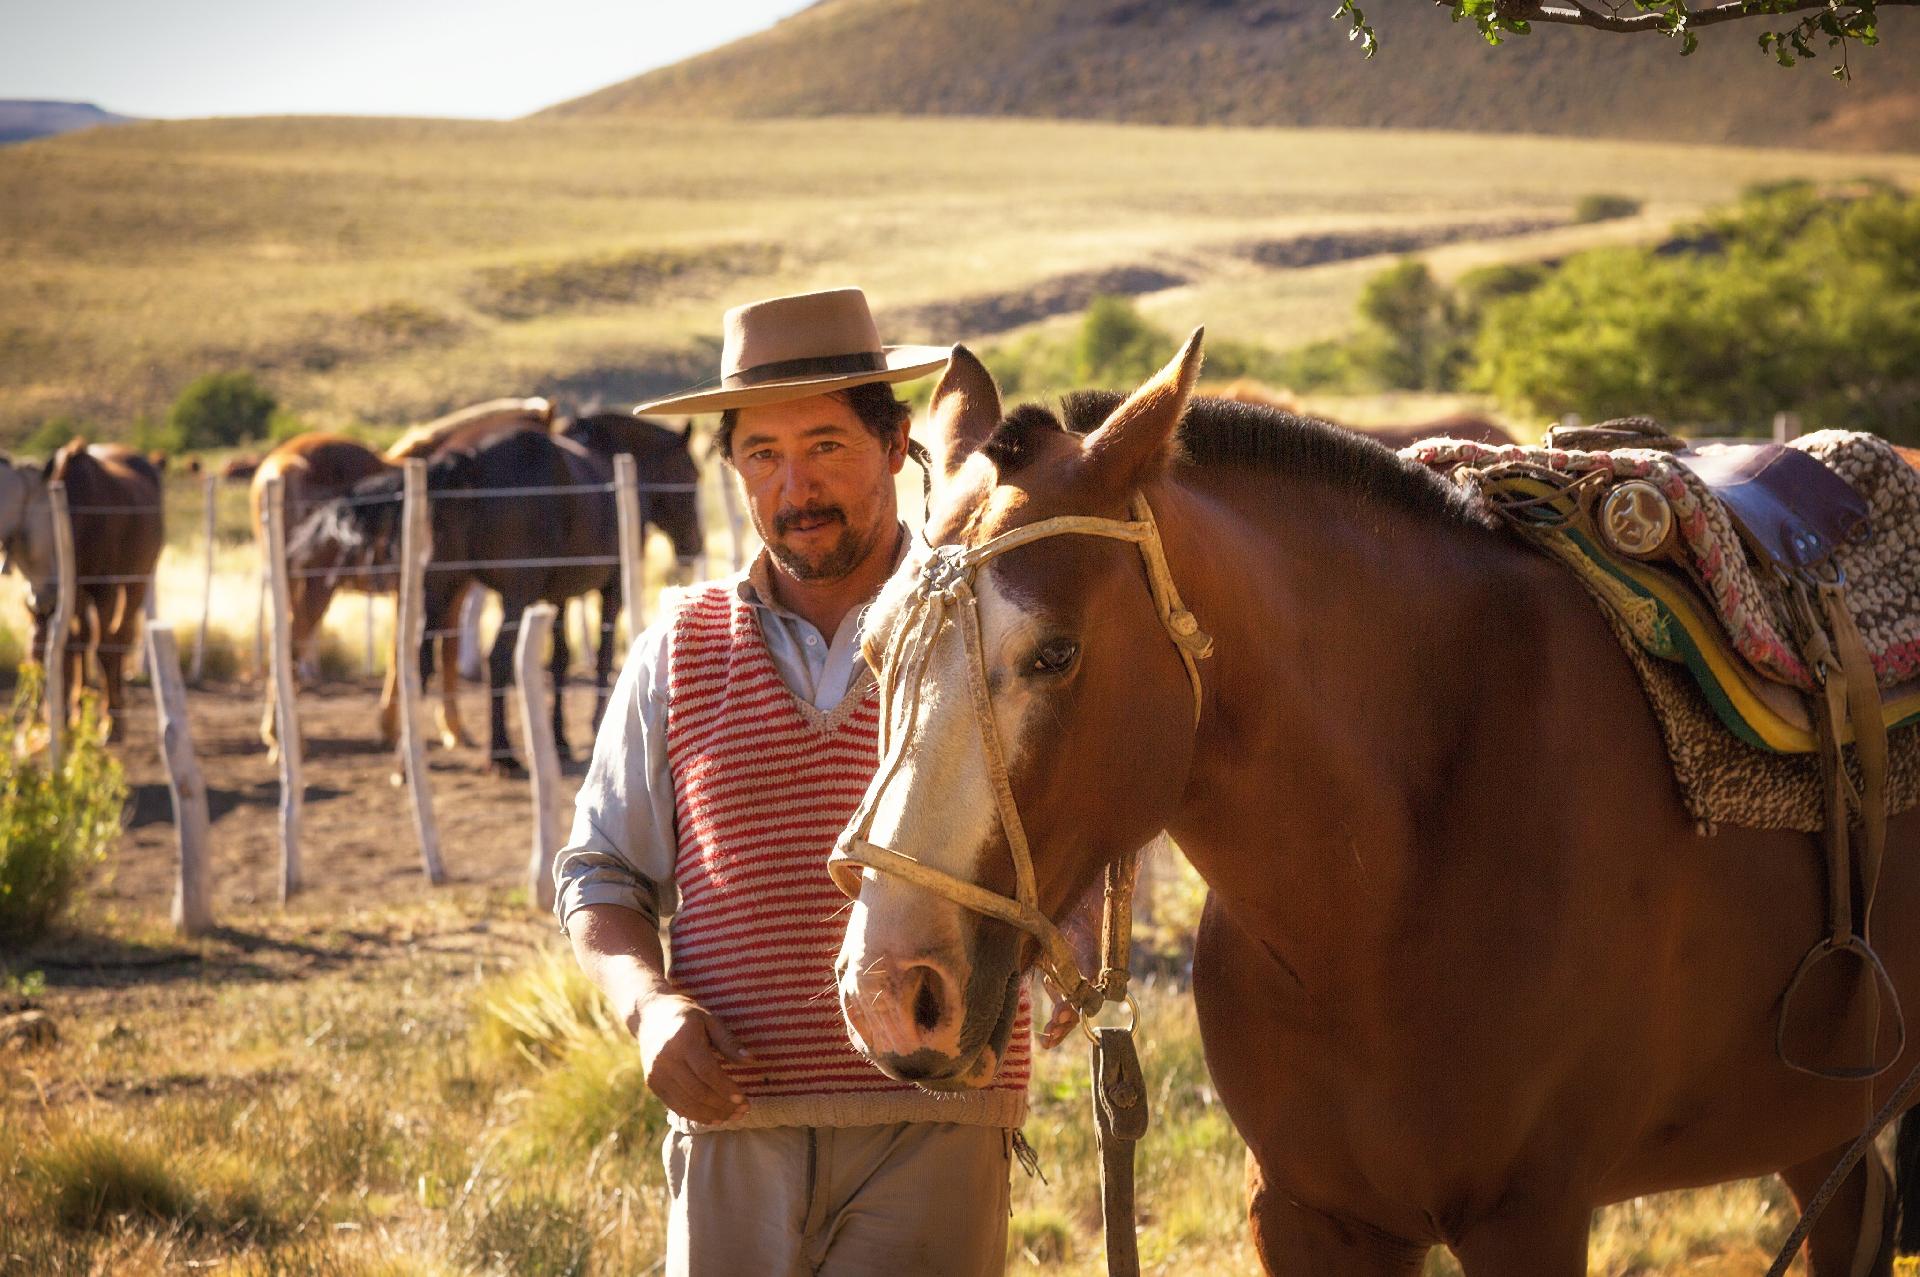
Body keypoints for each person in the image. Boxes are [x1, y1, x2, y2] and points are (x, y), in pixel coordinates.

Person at [554, 287, 1041, 1276]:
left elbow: (1073, 817)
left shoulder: (980, 629)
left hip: (938, 1116)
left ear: (897, 444)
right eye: (762, 455)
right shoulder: (679, 646)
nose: (795, 487)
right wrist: (649, 1008)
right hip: (732, 1118)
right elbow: (600, 872)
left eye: (825, 446)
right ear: (733, 467)